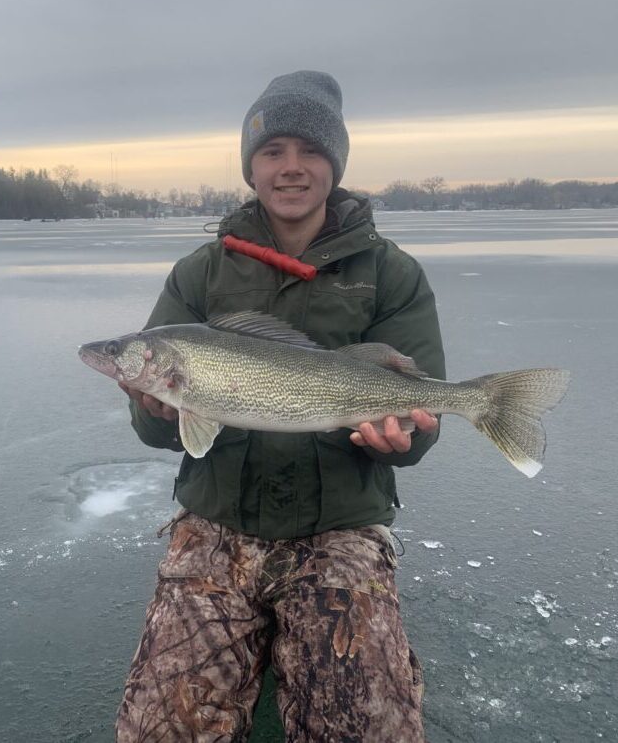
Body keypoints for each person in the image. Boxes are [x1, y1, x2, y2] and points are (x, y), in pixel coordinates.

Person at [115, 70, 445, 742]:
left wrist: (404, 439)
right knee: (160, 730)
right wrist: (153, 407)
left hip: (341, 524)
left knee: (363, 729)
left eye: (310, 151)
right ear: (250, 166)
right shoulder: (199, 275)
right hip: (217, 517)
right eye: (271, 152)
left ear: (335, 163)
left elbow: (420, 426)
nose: (290, 168)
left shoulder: (390, 273)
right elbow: (159, 437)